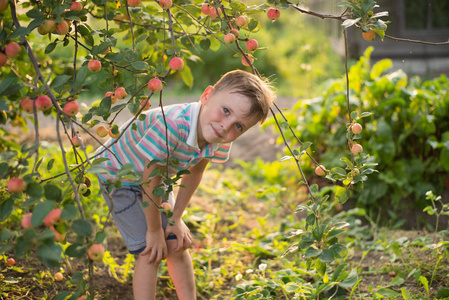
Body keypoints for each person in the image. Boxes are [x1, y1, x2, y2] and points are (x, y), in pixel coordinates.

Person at [95, 70, 276, 300]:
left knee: (176, 242)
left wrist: (175, 219)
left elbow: (195, 170)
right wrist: (153, 231)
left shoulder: (218, 137)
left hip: (156, 177)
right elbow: (149, 179)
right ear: (207, 95)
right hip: (118, 174)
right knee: (151, 250)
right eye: (226, 111)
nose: (226, 126)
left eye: (239, 126)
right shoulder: (173, 125)